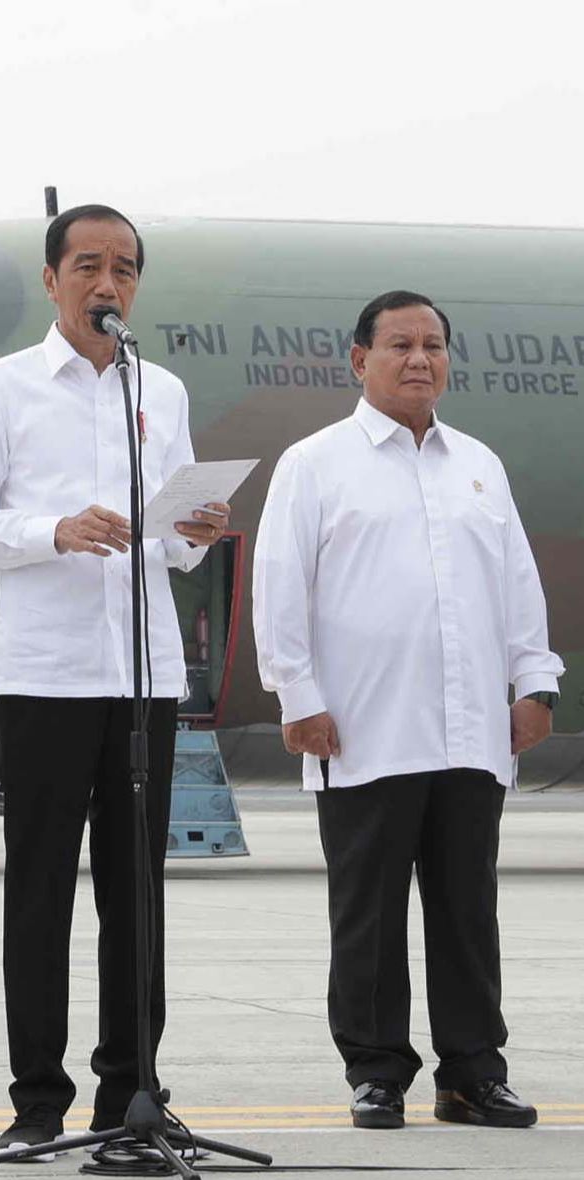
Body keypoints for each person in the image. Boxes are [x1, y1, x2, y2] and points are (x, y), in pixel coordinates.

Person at [0, 203, 229, 1153]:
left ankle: (130, 1097)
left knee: (135, 891)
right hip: (44, 675)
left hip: (140, 674)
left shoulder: (162, 389)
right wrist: (53, 530)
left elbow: (173, 546)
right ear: (53, 278)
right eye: (90, 266)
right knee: (40, 893)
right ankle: (36, 1101)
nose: (109, 285)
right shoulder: (1, 389)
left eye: (127, 269)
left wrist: (194, 533)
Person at [252, 290, 563, 1130]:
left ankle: (471, 1071)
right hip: (361, 727)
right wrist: (298, 695)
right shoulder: (314, 463)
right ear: (359, 361)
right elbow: (280, 587)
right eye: (399, 345)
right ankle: (376, 1069)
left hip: (469, 729)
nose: (418, 359)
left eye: (432, 345)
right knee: (370, 910)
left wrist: (533, 682)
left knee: (466, 909)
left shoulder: (477, 464)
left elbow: (515, 584)